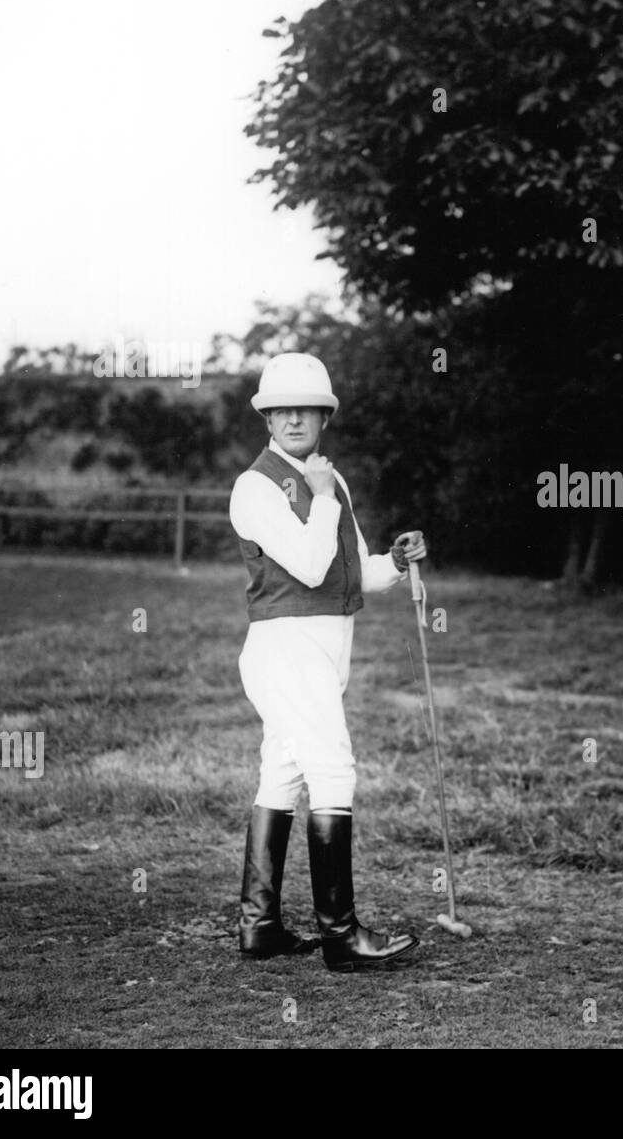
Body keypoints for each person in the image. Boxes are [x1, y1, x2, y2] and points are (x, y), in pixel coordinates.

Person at [230, 351, 427, 973]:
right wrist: (320, 496)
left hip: (323, 650)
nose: (293, 418)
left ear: (323, 416)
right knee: (334, 772)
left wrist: (395, 560)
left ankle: (259, 925)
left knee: (283, 775)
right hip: (284, 649)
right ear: (266, 417)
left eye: (305, 408)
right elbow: (311, 566)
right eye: (280, 408)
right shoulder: (255, 485)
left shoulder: (330, 484)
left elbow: (352, 575)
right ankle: (341, 937)